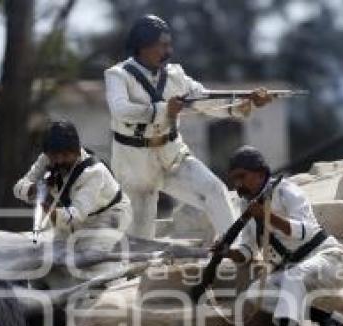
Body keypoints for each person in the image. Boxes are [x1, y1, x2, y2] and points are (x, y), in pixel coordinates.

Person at [104, 14, 274, 240]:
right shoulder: (118, 75)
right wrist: (164, 110)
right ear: (144, 45)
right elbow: (120, 110)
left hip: (172, 156)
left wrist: (242, 104)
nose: (168, 51)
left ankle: (236, 249)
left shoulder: (175, 75)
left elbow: (203, 100)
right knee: (141, 234)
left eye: (169, 45)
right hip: (135, 165)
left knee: (214, 190)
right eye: (162, 45)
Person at [220, 146, 343, 326]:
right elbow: (248, 249)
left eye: (242, 176)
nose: (238, 184)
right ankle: (328, 321)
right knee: (254, 295)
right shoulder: (247, 205)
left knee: (293, 277)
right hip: (294, 271)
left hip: (329, 259)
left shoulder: (287, 191)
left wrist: (266, 216)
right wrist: (228, 252)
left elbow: (302, 230)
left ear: (260, 173)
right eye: (234, 179)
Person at [13, 120, 132, 251]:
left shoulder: (93, 173)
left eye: (65, 155)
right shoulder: (46, 159)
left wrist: (52, 213)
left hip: (108, 215)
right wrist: (32, 189)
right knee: (54, 252)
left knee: (89, 257)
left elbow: (77, 214)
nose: (59, 160)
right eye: (54, 155)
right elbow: (18, 187)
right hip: (70, 217)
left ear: (76, 151)